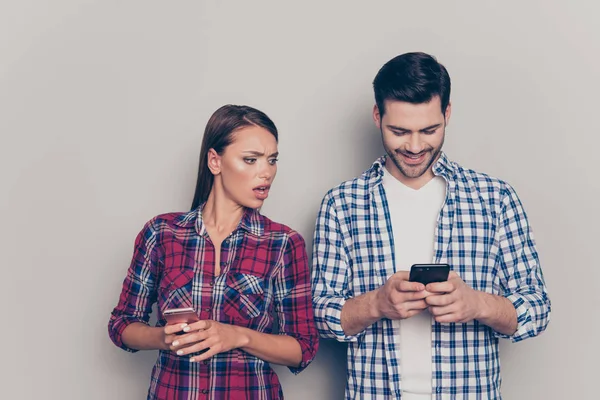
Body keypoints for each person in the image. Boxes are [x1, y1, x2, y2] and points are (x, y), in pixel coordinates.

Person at [311, 52, 551, 399]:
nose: (414, 146)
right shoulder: (342, 204)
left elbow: (537, 308)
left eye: (429, 130)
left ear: (447, 114)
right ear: (377, 116)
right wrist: (377, 303)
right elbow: (319, 314)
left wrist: (477, 304)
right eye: (399, 131)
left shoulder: (494, 198)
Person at [108, 104, 319, 400]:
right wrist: (164, 338)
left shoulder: (283, 243)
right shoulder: (161, 233)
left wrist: (238, 336)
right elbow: (122, 325)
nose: (266, 173)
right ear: (215, 161)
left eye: (272, 161)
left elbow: (303, 347)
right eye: (251, 160)